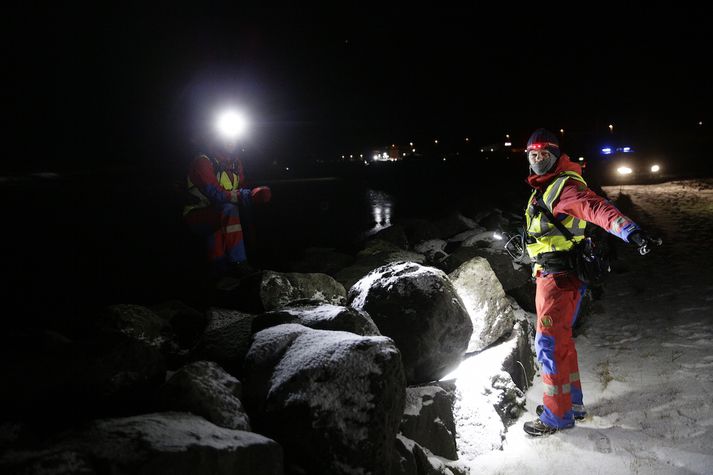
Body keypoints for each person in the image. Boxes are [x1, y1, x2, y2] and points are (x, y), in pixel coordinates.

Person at [521, 128, 661, 436]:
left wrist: (630, 231)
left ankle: (557, 416)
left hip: (556, 280)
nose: (538, 159)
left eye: (545, 154)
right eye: (533, 155)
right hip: (562, 277)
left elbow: (596, 208)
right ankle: (573, 404)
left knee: (548, 344)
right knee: (562, 341)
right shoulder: (546, 187)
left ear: (556, 156)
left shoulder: (563, 187)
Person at [183, 133, 271, 278]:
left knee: (233, 213)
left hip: (218, 215)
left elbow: (240, 189)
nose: (231, 141)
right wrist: (246, 195)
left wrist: (255, 194)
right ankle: (239, 263)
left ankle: (223, 274)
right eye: (227, 136)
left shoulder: (236, 164)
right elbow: (216, 194)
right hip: (196, 215)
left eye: (234, 136)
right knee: (229, 210)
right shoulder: (203, 161)